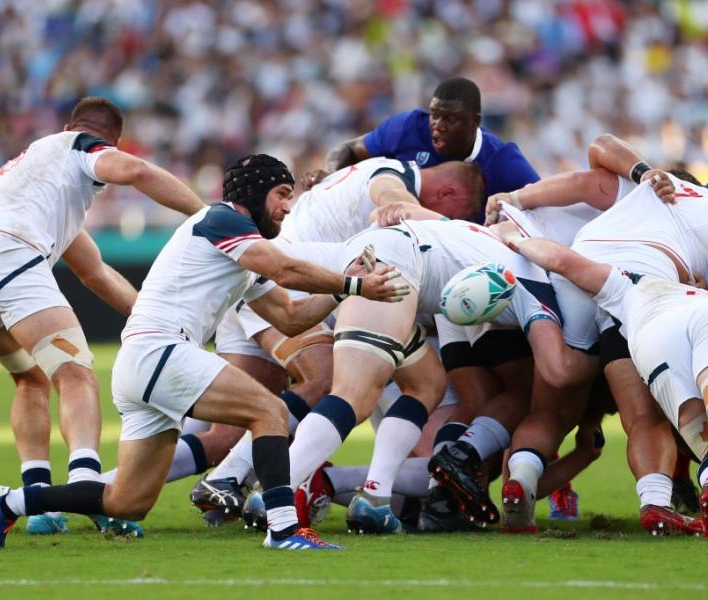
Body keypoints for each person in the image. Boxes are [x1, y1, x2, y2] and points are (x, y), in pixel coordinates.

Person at [0, 154, 408, 550]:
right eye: (281, 195)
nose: (287, 208)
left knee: (127, 501)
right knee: (270, 412)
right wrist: (353, 285)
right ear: (255, 194)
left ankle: (9, 503)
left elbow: (291, 317)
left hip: (143, 363)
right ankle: (284, 530)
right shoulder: (222, 219)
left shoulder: (238, 247)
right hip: (161, 349)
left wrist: (341, 289)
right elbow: (285, 268)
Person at [0, 96, 205, 536]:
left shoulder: (40, 184)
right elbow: (136, 172)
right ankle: (87, 492)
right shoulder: (79, 146)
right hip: (7, 252)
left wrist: (154, 320)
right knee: (77, 376)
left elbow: (97, 275)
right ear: (111, 142)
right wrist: (205, 213)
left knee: (30, 379)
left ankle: (39, 498)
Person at [187, 157, 484, 522]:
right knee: (333, 383)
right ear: (450, 193)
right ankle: (264, 484)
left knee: (422, 383)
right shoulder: (394, 185)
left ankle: (118, 483)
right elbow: (391, 203)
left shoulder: (361, 171)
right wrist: (457, 229)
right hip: (287, 279)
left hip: (288, 284)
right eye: (466, 212)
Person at [487, 134, 708, 534]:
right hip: (647, 288)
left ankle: (528, 477)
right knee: (658, 408)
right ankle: (660, 497)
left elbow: (593, 165)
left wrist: (515, 203)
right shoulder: (680, 199)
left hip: (579, 271)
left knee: (574, 406)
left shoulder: (648, 188)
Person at [301, 77, 539, 222]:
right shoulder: (408, 128)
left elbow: (545, 205)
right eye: (435, 115)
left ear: (474, 122)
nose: (438, 126)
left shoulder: (504, 161)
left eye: (451, 119)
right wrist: (330, 175)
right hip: (389, 228)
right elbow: (350, 148)